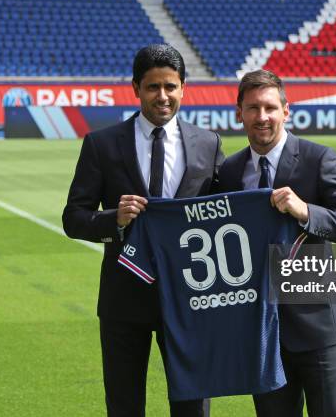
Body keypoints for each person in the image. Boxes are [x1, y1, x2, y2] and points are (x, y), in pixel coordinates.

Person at [62, 44, 223, 417]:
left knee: (193, 406)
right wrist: (112, 220)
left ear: (183, 88)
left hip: (190, 300)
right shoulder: (101, 145)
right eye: (153, 87)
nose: (162, 96)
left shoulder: (209, 144)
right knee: (124, 405)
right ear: (136, 88)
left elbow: (226, 215)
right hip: (124, 299)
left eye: (170, 86)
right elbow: (73, 217)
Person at [217, 70, 336, 417]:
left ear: (286, 111)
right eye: (252, 108)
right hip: (262, 334)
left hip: (319, 332)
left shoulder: (319, 158)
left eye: (270, 107)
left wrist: (305, 211)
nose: (262, 117)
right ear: (239, 113)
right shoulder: (229, 171)